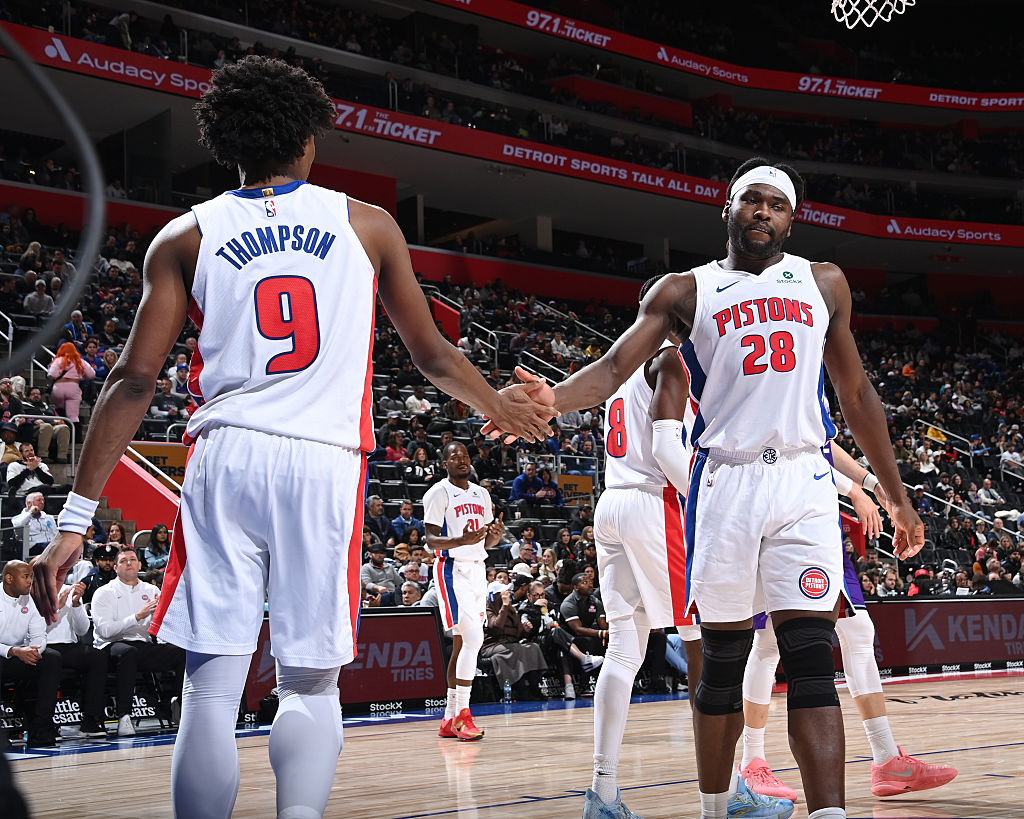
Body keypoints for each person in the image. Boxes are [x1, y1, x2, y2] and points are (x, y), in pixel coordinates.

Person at [31, 56, 553, 819]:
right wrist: (499, 408)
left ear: (226, 143)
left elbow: (133, 382)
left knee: (210, 682)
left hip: (226, 455)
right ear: (310, 138)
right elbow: (432, 354)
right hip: (323, 460)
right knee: (311, 680)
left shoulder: (184, 233)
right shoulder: (365, 222)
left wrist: (74, 522)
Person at [488, 157, 925, 819]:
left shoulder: (824, 281)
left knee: (811, 654)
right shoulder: (684, 291)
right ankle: (717, 808)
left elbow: (857, 394)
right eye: (753, 200)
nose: (765, 213)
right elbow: (613, 367)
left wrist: (893, 492)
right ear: (727, 207)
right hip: (724, 480)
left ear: (791, 217)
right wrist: (553, 399)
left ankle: (830, 812)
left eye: (778, 205)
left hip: (803, 479)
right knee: (721, 657)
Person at [739, 442, 957, 804]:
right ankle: (752, 762)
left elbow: (822, 440)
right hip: (774, 513)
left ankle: (887, 758)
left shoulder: (808, 394)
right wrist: (852, 488)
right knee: (768, 640)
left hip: (818, 518)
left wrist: (867, 485)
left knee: (858, 632)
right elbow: (775, 445)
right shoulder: (764, 391)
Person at [582, 281, 708, 819]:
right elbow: (664, 448)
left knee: (624, 650)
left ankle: (603, 792)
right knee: (705, 640)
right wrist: (708, 498)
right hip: (655, 501)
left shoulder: (620, 367)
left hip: (611, 502)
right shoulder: (668, 361)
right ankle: (723, 790)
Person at [424, 442, 505, 741]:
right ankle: (463, 715)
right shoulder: (438, 493)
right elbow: (431, 539)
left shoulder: (482, 493)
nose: (461, 460)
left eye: (465, 456)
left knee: (463, 645)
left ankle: (448, 718)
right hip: (451, 569)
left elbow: (485, 542)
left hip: (477, 569)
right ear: (444, 463)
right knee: (474, 639)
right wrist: (459, 540)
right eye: (454, 457)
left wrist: (494, 538)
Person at [91, 547, 185, 737]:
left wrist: (163, 615)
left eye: (133, 560)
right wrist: (137, 616)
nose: (129, 563)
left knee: (181, 651)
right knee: (128, 653)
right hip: (111, 647)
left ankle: (179, 704)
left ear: (140, 565)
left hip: (143, 644)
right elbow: (105, 631)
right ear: (116, 568)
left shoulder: (151, 590)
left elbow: (161, 626)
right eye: (124, 561)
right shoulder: (104, 592)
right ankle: (123, 716)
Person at [0, 560, 61, 747]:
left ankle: (40, 728)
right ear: (9, 578)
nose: (30, 582)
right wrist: (13, 651)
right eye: (26, 577)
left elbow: (39, 634)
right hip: (6, 653)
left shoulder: (28, 599)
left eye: (32, 577)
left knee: (52, 658)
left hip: (20, 655)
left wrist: (33, 650)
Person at [44, 580, 109, 738]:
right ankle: (45, 723)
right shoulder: (29, 593)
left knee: (98, 657)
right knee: (51, 660)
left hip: (68, 646)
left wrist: (75, 604)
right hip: (41, 646)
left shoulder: (68, 590)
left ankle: (91, 719)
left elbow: (82, 630)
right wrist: (56, 608)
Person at [47, 341, 95, 425]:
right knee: (73, 416)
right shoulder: (80, 361)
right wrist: (83, 376)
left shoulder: (58, 360)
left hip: (58, 388)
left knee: (60, 412)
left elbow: (51, 374)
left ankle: (62, 428)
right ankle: (74, 437)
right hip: (73, 387)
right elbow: (91, 374)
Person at [11, 491, 57, 557]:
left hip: (50, 545)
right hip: (33, 547)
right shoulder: (18, 518)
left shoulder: (49, 517)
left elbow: (55, 533)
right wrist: (30, 513)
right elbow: (18, 528)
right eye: (39, 500)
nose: (42, 502)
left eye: (43, 500)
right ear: (29, 503)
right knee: (51, 547)